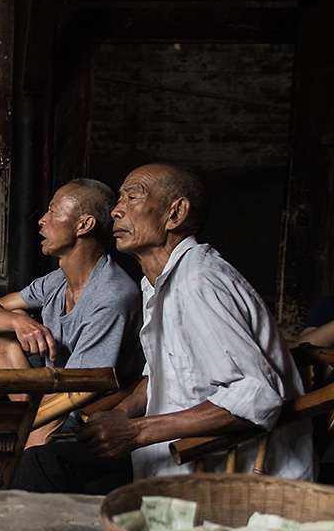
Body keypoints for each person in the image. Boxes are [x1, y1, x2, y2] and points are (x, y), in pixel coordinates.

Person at [77, 163, 314, 480]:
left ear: (175, 214)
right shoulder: (160, 283)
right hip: (180, 461)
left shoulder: (198, 283)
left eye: (131, 197)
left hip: (237, 479)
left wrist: (135, 432)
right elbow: (163, 374)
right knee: (53, 462)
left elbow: (257, 394)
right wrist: (121, 412)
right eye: (119, 200)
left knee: (45, 466)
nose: (116, 211)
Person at [0, 179, 143, 494]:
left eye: (54, 211)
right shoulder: (58, 280)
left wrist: (30, 441)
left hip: (85, 413)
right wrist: (17, 322)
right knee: (2, 333)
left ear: (84, 225)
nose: (42, 220)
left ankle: (24, 439)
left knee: (29, 464)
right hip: (48, 394)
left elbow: (75, 394)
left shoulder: (112, 296)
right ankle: (25, 427)